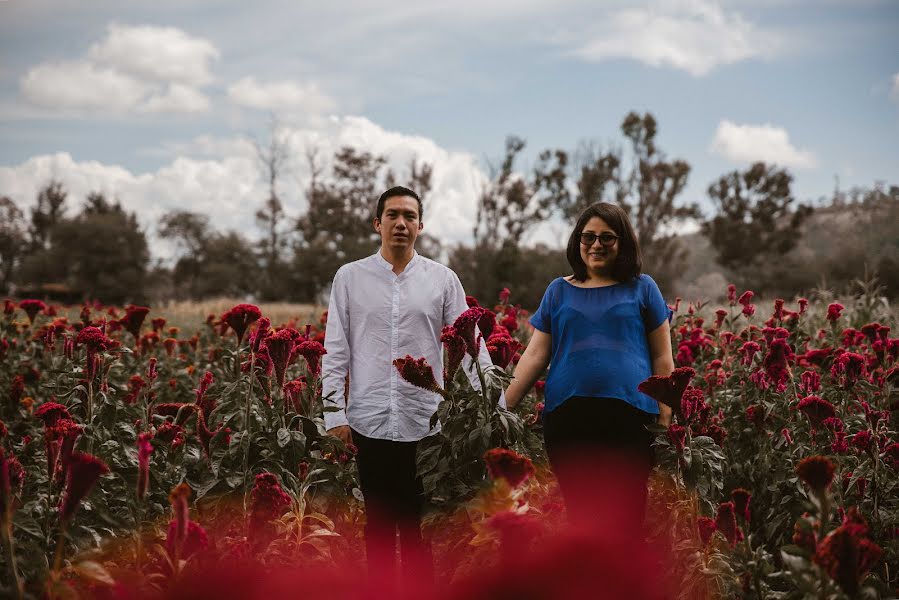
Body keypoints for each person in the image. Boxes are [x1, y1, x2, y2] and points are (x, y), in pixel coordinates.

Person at [321, 185, 497, 582]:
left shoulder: (442, 280)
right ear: (377, 222)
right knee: (379, 527)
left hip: (427, 425)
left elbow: (471, 347)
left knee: (421, 529)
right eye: (392, 215)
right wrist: (333, 414)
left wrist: (494, 408)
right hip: (370, 421)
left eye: (409, 216)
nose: (401, 223)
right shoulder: (349, 278)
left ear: (420, 225)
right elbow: (335, 351)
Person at [504, 202, 674, 527]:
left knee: (627, 518)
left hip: (632, 418)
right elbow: (536, 355)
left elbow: (662, 357)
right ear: (577, 241)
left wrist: (665, 416)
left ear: (622, 242)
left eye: (607, 238)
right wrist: (502, 408)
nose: (596, 245)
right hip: (569, 418)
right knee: (582, 520)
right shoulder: (558, 291)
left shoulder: (643, 288)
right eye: (589, 237)